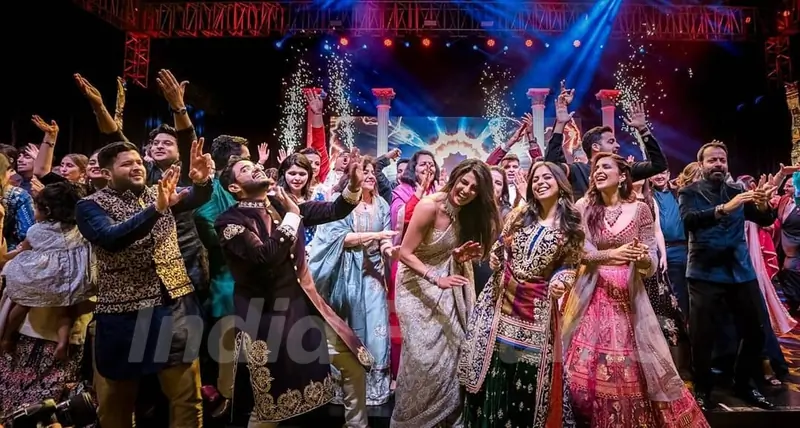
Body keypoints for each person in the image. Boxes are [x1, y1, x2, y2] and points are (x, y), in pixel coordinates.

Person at [215, 149, 373, 428]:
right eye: (245, 169)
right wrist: (292, 216)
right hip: (267, 319)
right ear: (234, 188)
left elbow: (334, 210)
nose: (255, 168)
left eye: (254, 165)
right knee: (268, 403)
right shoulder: (230, 221)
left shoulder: (280, 204)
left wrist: (354, 186)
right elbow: (265, 256)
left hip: (304, 307)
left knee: (353, 364)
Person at [75, 139, 213, 428]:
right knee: (116, 406)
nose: (136, 167)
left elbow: (194, 197)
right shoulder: (89, 206)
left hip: (173, 306)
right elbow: (111, 239)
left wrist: (202, 182)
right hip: (122, 313)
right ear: (106, 173)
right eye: (127, 164)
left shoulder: (159, 192)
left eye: (138, 161)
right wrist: (157, 209)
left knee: (187, 399)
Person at [563, 153, 707, 427]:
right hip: (591, 292)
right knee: (585, 368)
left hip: (629, 296)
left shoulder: (641, 209)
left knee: (633, 366)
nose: (598, 171)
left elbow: (650, 260)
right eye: (596, 168)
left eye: (606, 167)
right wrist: (611, 254)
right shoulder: (584, 206)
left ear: (622, 176)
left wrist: (641, 259)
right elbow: (579, 252)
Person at [460, 161, 583, 427]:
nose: (540, 183)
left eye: (546, 177)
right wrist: (496, 257)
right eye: (535, 179)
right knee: (494, 372)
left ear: (560, 183)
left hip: (535, 312)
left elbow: (570, 265)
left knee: (525, 378)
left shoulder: (571, 225)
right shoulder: (520, 214)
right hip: (500, 302)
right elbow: (500, 245)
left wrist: (561, 281)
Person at [391, 159, 501, 428]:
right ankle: (412, 420)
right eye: (464, 182)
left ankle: (447, 419)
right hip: (416, 284)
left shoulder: (467, 212)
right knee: (422, 357)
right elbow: (404, 253)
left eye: (474, 189)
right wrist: (434, 277)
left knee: (454, 348)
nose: (466, 191)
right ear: (455, 177)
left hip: (449, 281)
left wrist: (458, 256)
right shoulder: (430, 206)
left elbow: (453, 251)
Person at [678, 141, 777, 411]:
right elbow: (688, 221)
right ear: (701, 165)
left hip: (740, 272)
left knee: (755, 332)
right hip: (704, 273)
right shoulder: (689, 192)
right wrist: (724, 208)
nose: (718, 164)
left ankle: (743, 383)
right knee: (702, 337)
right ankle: (702, 389)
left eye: (722, 160)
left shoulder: (738, 190)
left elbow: (764, 219)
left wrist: (764, 205)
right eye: (712, 160)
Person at [309, 156, 395, 406]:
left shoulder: (381, 204)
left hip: (374, 274)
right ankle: (345, 388)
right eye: (364, 171)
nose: (370, 175)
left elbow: (386, 239)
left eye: (372, 172)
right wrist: (376, 235)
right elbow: (339, 239)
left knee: (376, 327)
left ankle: (373, 389)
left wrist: (391, 250)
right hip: (346, 273)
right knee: (350, 326)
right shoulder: (341, 202)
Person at [1, 182, 94, 360]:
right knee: (66, 311)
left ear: (47, 210)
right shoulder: (77, 229)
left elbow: (23, 250)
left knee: (22, 302)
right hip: (69, 279)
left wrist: (6, 257)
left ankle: (7, 336)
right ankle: (62, 342)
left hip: (41, 277)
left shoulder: (36, 230)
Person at [545, 83, 668, 199]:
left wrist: (643, 130)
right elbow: (552, 168)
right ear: (595, 147)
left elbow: (659, 165)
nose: (618, 145)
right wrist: (560, 124)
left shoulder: (623, 170)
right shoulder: (578, 171)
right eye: (611, 141)